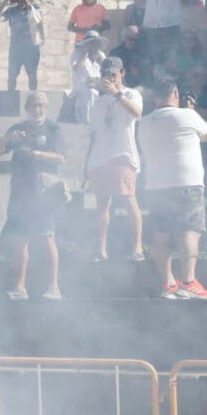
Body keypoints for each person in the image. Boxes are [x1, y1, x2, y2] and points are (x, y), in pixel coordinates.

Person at [137, 77, 207, 299]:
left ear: (155, 98)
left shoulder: (144, 122)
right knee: (190, 230)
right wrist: (191, 111)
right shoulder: (188, 116)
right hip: (187, 183)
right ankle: (188, 282)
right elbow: (204, 135)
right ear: (176, 94)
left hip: (156, 186)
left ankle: (168, 284)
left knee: (161, 234)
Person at [0, 92, 65, 301]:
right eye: (33, 105)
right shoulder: (18, 129)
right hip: (20, 192)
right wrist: (8, 138)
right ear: (26, 108)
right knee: (19, 239)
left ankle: (54, 287)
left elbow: (61, 157)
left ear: (46, 108)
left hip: (43, 193)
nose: (37, 109)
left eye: (41, 105)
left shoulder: (53, 129)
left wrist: (36, 154)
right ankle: (20, 287)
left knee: (47, 236)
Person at [84, 57, 144, 262]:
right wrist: (86, 163)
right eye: (106, 75)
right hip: (99, 158)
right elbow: (93, 134)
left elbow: (137, 113)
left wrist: (116, 94)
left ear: (122, 73)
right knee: (102, 205)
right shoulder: (98, 103)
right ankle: (100, 250)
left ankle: (137, 248)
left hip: (123, 156)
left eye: (113, 74)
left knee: (128, 199)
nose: (109, 78)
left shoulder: (131, 94)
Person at [0, 0, 44, 92]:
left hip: (31, 48)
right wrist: (3, 4)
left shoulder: (34, 8)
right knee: (12, 76)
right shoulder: (12, 11)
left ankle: (33, 97)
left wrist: (27, 4)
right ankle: (10, 97)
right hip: (16, 48)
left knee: (32, 75)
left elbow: (39, 20)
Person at [141, 0, 182, 73]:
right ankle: (156, 77)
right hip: (151, 27)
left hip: (170, 26)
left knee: (171, 56)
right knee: (154, 56)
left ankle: (171, 78)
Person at [69, 31, 106, 125]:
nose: (95, 46)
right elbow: (76, 69)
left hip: (97, 84)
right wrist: (84, 55)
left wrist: (101, 61)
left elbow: (106, 71)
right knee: (90, 93)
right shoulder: (77, 54)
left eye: (96, 44)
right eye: (92, 44)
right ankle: (87, 122)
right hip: (81, 86)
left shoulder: (100, 55)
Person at [109, 24, 149, 90]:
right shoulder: (115, 53)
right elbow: (112, 73)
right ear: (124, 38)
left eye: (136, 40)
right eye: (131, 39)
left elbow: (146, 72)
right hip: (121, 87)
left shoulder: (141, 52)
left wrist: (139, 72)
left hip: (140, 87)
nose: (133, 42)